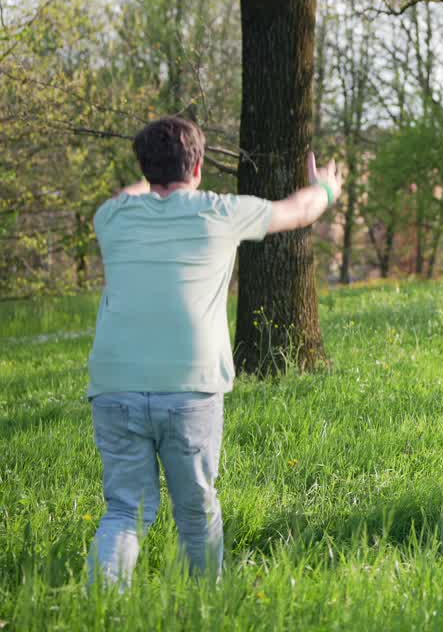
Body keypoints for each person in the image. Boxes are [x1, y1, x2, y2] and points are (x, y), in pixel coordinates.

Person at [86, 116, 343, 586]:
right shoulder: (222, 212)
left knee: (125, 509)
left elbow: (131, 193)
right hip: (190, 387)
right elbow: (299, 210)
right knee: (196, 508)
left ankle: (98, 608)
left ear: (144, 170)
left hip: (114, 386)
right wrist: (326, 188)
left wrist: (150, 176)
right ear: (200, 165)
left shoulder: (111, 217)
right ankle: (205, 604)